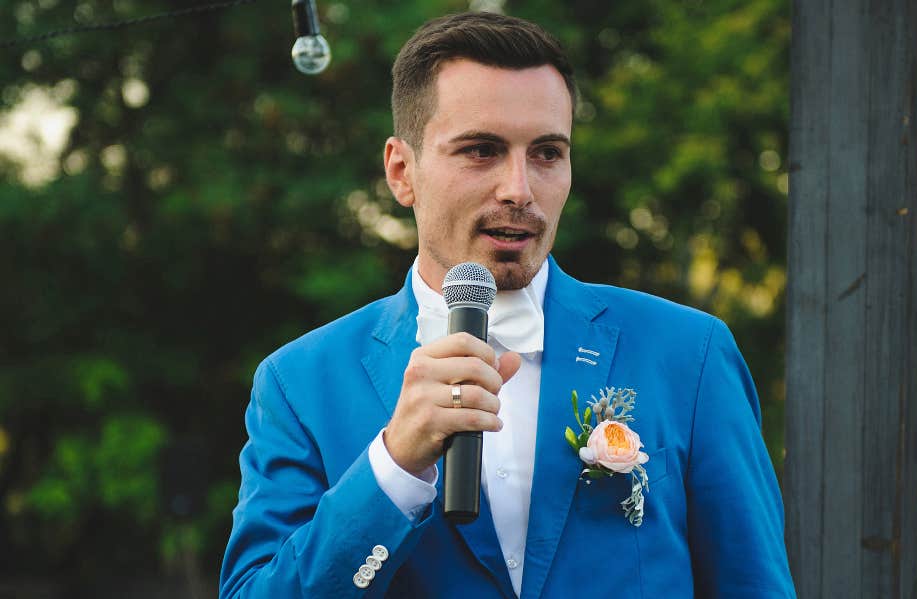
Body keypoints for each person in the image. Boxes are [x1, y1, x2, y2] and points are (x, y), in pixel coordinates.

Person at [220, 11, 793, 598]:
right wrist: (394, 469)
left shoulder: (688, 355)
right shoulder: (299, 383)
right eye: (481, 150)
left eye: (547, 153)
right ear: (401, 172)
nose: (519, 189)